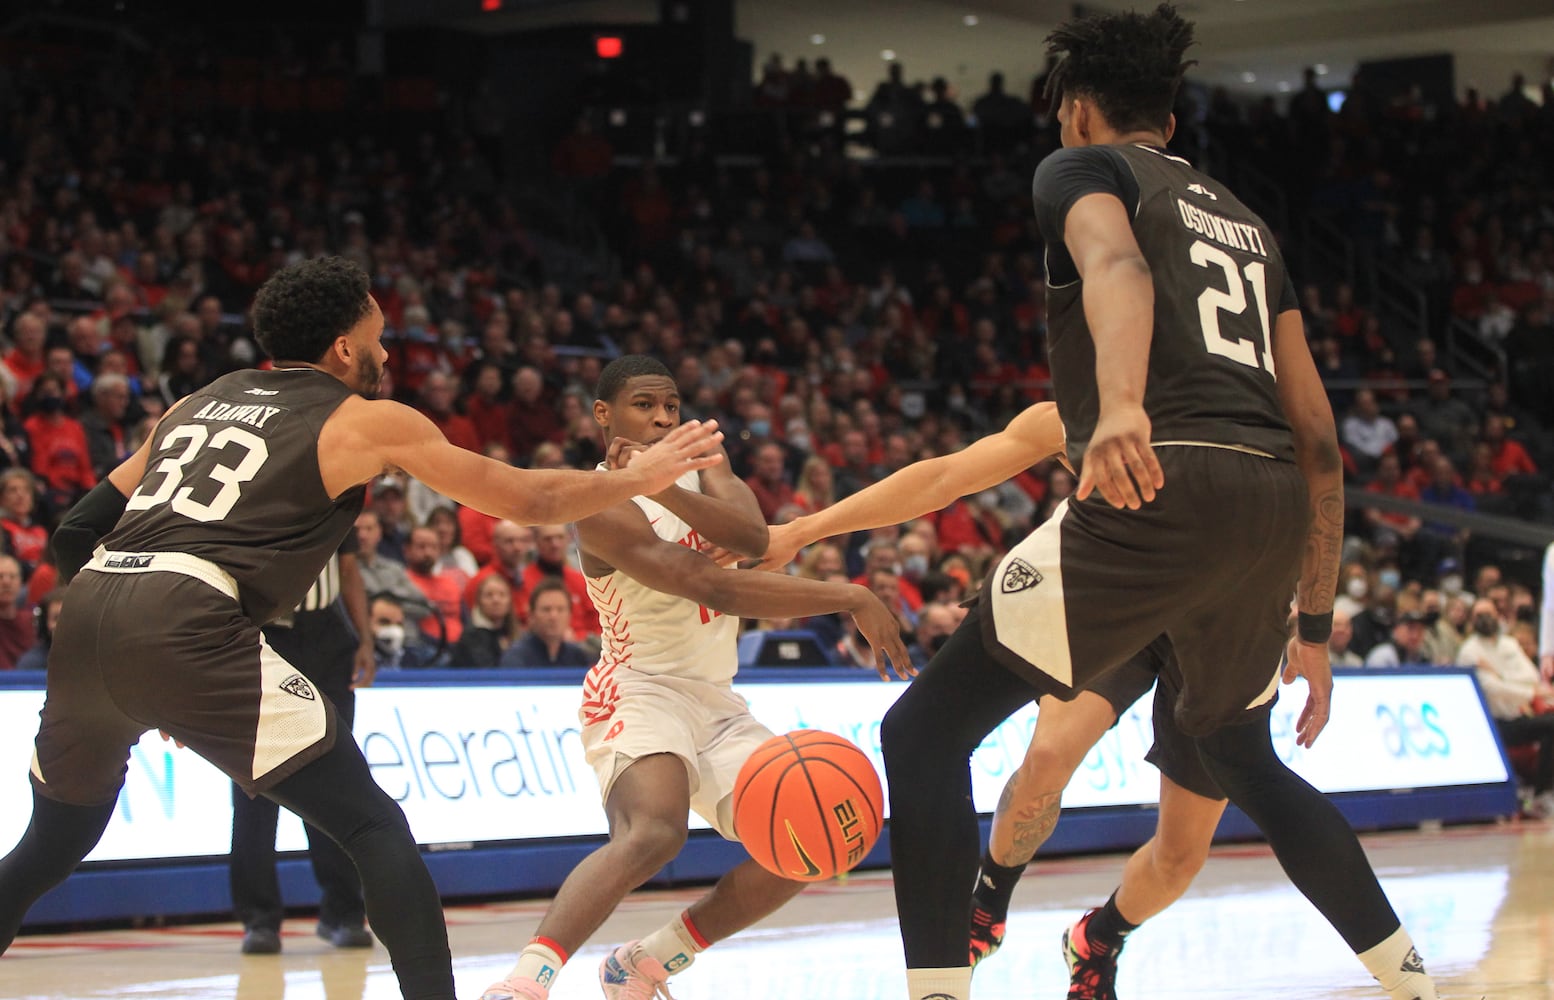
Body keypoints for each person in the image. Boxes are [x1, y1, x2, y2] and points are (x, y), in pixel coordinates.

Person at [868, 9, 1437, 1000]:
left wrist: (1123, 402)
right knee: (1243, 753)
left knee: (923, 733)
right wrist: (1312, 620)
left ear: (1077, 110)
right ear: (1169, 121)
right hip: (1268, 508)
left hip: (1161, 483)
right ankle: (1415, 981)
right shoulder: (1254, 230)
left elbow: (1117, 266)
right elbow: (1319, 444)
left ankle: (937, 989)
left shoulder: (1080, 171)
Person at [0, 257, 727, 1000]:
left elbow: (75, 531)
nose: (387, 353)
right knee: (373, 830)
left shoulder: (196, 403)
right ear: (345, 348)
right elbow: (530, 499)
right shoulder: (365, 419)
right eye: (379, 338)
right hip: (186, 619)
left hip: (92, 614)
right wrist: (645, 475)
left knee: (51, 843)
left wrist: (130, 657)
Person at [479, 356, 911, 1000]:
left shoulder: (704, 475)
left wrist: (671, 482)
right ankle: (525, 983)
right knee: (655, 831)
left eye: (671, 407)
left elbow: (752, 537)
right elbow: (706, 582)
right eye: (643, 405)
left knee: (805, 841)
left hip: (717, 701)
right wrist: (848, 596)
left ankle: (647, 962)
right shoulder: (594, 500)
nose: (660, 418)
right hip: (637, 687)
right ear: (604, 416)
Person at [230, 535, 376, 955]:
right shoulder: (259, 491)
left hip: (327, 636)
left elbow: (348, 569)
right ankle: (258, 919)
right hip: (263, 634)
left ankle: (343, 912)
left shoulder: (337, 486)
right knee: (253, 780)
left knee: (333, 779)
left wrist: (365, 637)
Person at [1456, 596, 1554, 815]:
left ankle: (1542, 792)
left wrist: (1499, 673)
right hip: (1490, 725)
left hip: (1516, 717)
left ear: (1498, 616)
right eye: (1479, 615)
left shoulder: (1509, 644)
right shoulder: (1469, 651)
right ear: (1471, 620)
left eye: (1488, 614)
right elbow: (1491, 688)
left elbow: (1530, 676)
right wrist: (1518, 688)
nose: (1485, 619)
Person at [498, 579, 592, 668]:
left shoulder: (577, 657)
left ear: (570, 615)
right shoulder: (516, 657)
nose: (553, 616)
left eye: (560, 609)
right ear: (531, 615)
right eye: (546, 609)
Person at [14, 588, 63, 672]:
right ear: (44, 623)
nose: (63, 625)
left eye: (68, 618)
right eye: (56, 618)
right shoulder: (30, 664)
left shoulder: (91, 659)